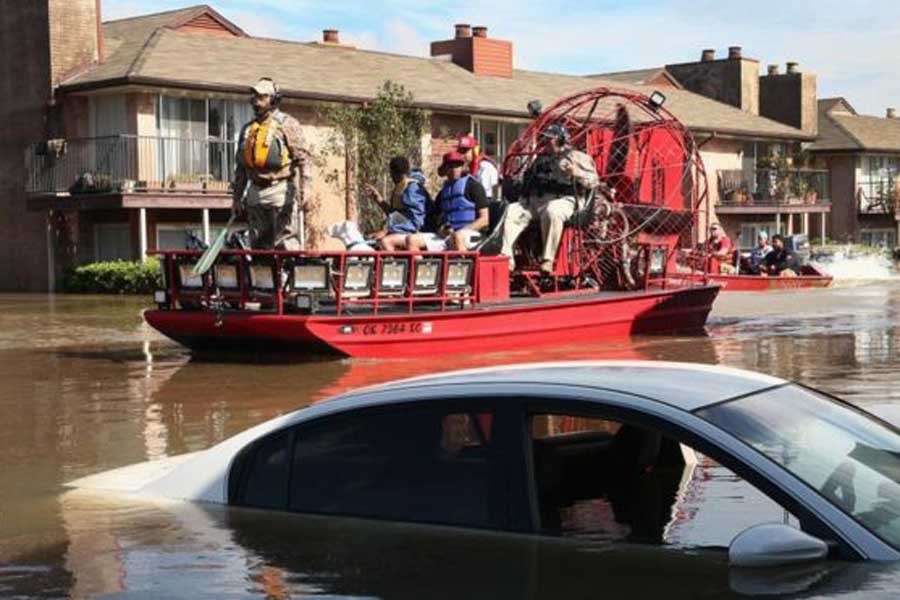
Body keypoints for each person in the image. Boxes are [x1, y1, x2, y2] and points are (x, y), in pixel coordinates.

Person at [500, 124, 599, 274]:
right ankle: (507, 259)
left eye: (550, 139)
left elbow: (593, 181)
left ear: (560, 140)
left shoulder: (578, 157)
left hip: (565, 200)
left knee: (552, 211)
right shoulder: (540, 158)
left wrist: (576, 172)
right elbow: (529, 180)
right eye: (545, 138)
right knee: (511, 211)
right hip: (536, 201)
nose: (546, 142)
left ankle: (548, 259)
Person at [233, 78, 311, 250]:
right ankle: (262, 276)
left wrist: (306, 189)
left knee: (285, 243)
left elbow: (303, 159)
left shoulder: (286, 124)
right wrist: (237, 198)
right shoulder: (248, 129)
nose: (256, 101)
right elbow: (241, 168)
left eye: (262, 97)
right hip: (255, 193)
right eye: (254, 97)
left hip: (280, 191)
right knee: (258, 246)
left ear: (274, 99)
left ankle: (287, 276)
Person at [407, 151, 489, 251]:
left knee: (458, 237)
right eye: (450, 166)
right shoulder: (443, 193)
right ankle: (423, 266)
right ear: (445, 169)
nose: (454, 169)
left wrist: (462, 231)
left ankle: (464, 266)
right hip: (448, 236)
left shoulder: (473, 186)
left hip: (471, 234)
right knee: (412, 239)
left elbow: (484, 220)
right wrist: (441, 229)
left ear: (462, 167)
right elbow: (435, 219)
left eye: (457, 165)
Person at [364, 156, 431, 251]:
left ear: (393, 172)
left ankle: (395, 265)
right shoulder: (401, 187)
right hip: (406, 232)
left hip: (420, 233)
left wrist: (388, 231)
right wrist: (379, 200)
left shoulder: (412, 188)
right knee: (372, 240)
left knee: (385, 241)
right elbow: (397, 216)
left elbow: (416, 221)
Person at [457, 134, 499, 200]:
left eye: (465, 151)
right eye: (460, 152)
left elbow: (483, 194)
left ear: (475, 151)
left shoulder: (485, 166)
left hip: (485, 203)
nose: (462, 155)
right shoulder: (469, 168)